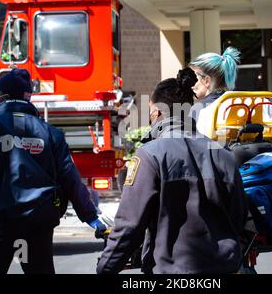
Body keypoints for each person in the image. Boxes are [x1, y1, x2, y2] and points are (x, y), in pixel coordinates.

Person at [0, 68, 107, 274]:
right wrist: (90, 216)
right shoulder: (51, 133)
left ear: (3, 96)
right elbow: (70, 179)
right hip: (38, 223)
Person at [96, 74, 247, 274]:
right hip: (225, 268)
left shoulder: (150, 155)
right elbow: (238, 217)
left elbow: (129, 226)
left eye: (150, 111)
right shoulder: (224, 154)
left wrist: (105, 267)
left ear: (158, 112)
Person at [188, 47, 272, 151]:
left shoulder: (199, 111)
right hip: (265, 164)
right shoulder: (268, 104)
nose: (190, 84)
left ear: (207, 81)